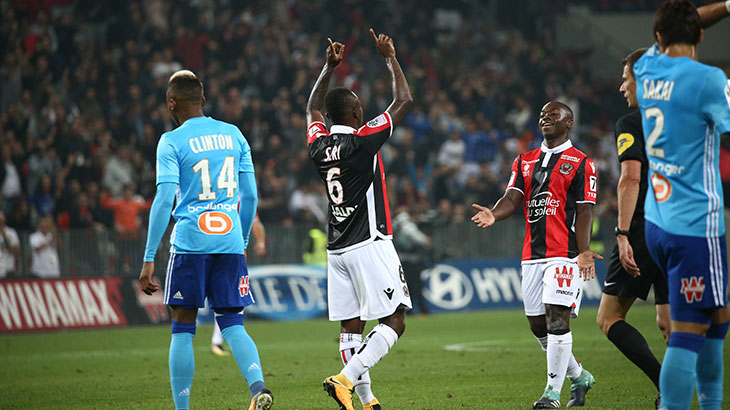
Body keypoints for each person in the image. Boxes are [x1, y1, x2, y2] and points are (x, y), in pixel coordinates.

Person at [138, 70, 273, 410]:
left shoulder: (171, 141)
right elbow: (251, 197)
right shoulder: (234, 134)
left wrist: (149, 257)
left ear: (172, 103)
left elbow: (164, 200)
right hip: (229, 242)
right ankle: (258, 386)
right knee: (233, 323)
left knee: (182, 328)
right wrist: (242, 241)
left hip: (191, 244)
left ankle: (182, 408)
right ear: (203, 100)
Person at [306, 29, 413, 410]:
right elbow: (404, 100)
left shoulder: (318, 145)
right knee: (395, 320)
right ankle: (345, 379)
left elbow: (312, 110)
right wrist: (390, 57)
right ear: (355, 114)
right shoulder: (362, 139)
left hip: (337, 248)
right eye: (360, 108)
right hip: (369, 241)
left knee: (351, 328)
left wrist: (327, 68)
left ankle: (366, 402)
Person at [632, 1, 730, 409]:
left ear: (658, 37)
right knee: (689, 332)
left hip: (658, 220)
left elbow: (680, 27)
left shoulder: (645, 68)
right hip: (695, 227)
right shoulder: (709, 79)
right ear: (701, 36)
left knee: (717, 320)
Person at [471, 101, 601, 409]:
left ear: (568, 123)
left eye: (553, 115)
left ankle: (551, 394)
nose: (545, 119)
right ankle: (579, 376)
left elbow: (585, 211)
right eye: (542, 115)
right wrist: (494, 214)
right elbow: (512, 197)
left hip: (565, 253)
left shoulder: (582, 163)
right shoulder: (524, 160)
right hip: (532, 255)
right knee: (538, 326)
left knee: (557, 318)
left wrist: (584, 250)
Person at [595, 47, 670, 409]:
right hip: (681, 224)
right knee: (670, 323)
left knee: (609, 317)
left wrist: (622, 233)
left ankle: (667, 388)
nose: (622, 87)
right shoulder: (681, 118)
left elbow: (631, 178)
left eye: (626, 80)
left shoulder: (632, 122)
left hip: (643, 226)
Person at [211, 216, 267, 356]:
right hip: (230, 255)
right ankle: (220, 340)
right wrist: (260, 243)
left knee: (224, 298)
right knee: (228, 299)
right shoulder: (238, 202)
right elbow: (255, 221)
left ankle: (217, 341)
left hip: (205, 252)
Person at [0, 210, 20, 278]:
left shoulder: (11, 232)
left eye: (1, 216)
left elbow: (17, 251)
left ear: (4, 218)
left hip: (9, 269)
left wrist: (4, 237)